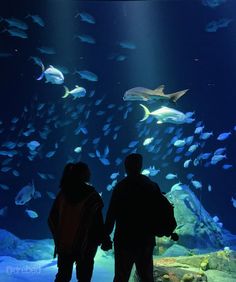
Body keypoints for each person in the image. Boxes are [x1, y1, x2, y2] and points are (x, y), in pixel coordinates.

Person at [102, 153, 163, 282]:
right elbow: (160, 212)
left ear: (126, 167)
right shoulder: (151, 185)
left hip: (124, 240)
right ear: (140, 166)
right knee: (147, 277)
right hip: (145, 240)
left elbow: (111, 214)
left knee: (121, 276)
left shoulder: (120, 187)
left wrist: (105, 236)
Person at [48, 162, 111, 282]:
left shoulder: (63, 194)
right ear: (82, 174)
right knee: (84, 278)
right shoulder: (91, 195)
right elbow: (98, 222)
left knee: (62, 276)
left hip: (64, 245)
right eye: (88, 171)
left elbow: (51, 219)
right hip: (86, 246)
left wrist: (58, 238)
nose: (90, 173)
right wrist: (104, 239)